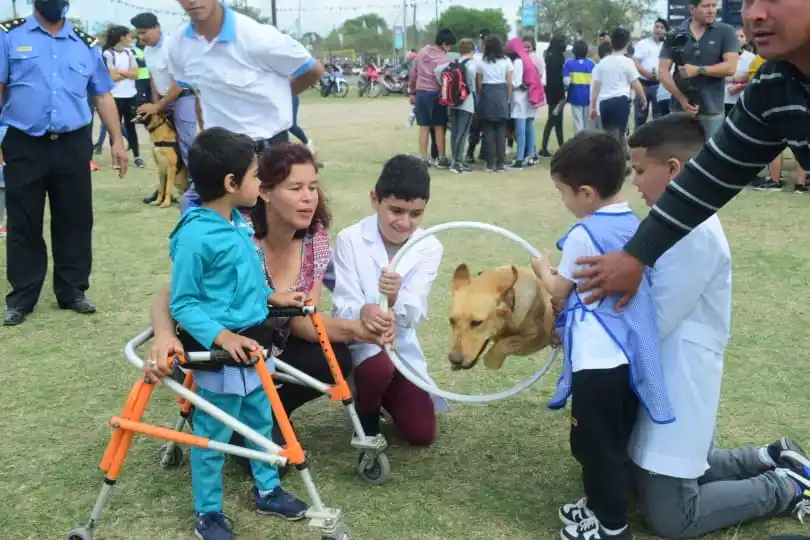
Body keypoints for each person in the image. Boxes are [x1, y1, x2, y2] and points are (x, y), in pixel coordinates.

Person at [625, 112, 810, 538]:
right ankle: (771, 455)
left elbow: (655, 321)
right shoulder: (675, 222)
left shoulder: (693, 232)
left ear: (673, 169)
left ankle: (786, 485)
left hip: (679, 379)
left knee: (673, 518)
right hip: (670, 379)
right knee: (674, 471)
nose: (633, 181)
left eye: (638, 170)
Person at [146, 142, 387, 451]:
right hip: (218, 356)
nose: (308, 197)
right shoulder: (233, 231)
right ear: (265, 191)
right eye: (295, 187)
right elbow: (169, 294)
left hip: (262, 348)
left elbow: (303, 323)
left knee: (335, 357)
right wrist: (165, 336)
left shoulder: (314, 239)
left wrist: (361, 331)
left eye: (313, 187)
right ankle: (210, 408)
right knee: (272, 460)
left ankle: (270, 411)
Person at [568, 0, 810, 307]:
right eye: (748, 1)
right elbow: (711, 176)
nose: (754, 14)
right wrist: (634, 256)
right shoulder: (775, 85)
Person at [153, 127, 308, 540]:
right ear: (230, 183)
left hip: (254, 345)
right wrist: (224, 338)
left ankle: (268, 488)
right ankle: (208, 512)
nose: (261, 183)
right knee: (213, 434)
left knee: (260, 418)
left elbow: (247, 279)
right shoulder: (195, 236)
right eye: (256, 175)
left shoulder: (238, 222)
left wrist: (274, 297)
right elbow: (184, 303)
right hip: (221, 354)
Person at [531, 131, 673, 540]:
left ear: (587, 193)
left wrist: (542, 268)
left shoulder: (583, 234)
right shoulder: (635, 226)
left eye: (562, 192)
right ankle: (600, 508)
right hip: (628, 362)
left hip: (597, 365)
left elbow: (560, 292)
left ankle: (611, 527)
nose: (563, 200)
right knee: (614, 440)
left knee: (596, 449)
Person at [0, 2, 128, 327]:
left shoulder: (85, 44)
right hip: (24, 142)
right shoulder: (9, 36)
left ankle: (72, 291)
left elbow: (102, 94)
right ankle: (22, 297)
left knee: (75, 218)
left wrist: (117, 139)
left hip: (72, 144)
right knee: (23, 221)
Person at [332, 155, 447, 447]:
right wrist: (365, 310)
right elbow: (343, 302)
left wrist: (396, 301)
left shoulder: (429, 246)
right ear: (375, 199)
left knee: (421, 434)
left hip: (401, 346)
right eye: (395, 210)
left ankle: (383, 393)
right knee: (376, 365)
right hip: (363, 345)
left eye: (415, 213)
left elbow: (416, 309)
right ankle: (366, 415)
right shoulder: (350, 239)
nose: (404, 222)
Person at [166, 0, 323, 213]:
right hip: (219, 153)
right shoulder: (178, 45)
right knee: (202, 220)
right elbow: (198, 92)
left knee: (269, 229)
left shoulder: (257, 37)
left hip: (266, 151)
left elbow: (313, 70)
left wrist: (280, 97)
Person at [131, 12, 199, 205]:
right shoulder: (148, 51)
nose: (141, 38)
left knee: (187, 145)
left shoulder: (172, 47)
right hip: (163, 100)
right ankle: (163, 189)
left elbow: (179, 82)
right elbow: (154, 79)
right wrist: (156, 105)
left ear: (156, 28)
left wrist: (158, 105)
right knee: (163, 149)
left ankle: (196, 192)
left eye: (144, 33)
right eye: (138, 34)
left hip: (183, 98)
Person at [658, 0, 740, 137]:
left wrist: (698, 70)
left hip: (712, 109)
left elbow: (730, 67)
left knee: (711, 154)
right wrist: (682, 100)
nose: (711, 10)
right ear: (692, 9)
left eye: (714, 6)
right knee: (679, 154)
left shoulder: (726, 31)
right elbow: (662, 71)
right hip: (680, 110)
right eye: (706, 6)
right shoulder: (675, 34)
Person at [590, 28, 646, 152]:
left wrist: (593, 107)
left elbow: (595, 88)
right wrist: (643, 97)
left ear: (611, 43)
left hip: (604, 102)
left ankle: (608, 159)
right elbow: (635, 83)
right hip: (620, 101)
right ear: (627, 44)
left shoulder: (602, 63)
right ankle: (619, 161)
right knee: (620, 134)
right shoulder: (627, 62)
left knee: (607, 134)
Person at [408, 28, 456, 168]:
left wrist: (412, 92)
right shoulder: (443, 58)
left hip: (421, 93)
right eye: (449, 45)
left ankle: (423, 157)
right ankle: (441, 158)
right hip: (436, 94)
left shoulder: (422, 52)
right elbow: (445, 79)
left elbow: (413, 73)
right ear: (443, 43)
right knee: (439, 127)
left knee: (423, 127)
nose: (449, 48)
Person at [102, 26, 145, 168]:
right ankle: (116, 160)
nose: (131, 39)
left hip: (130, 95)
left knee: (131, 127)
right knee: (114, 128)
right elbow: (111, 77)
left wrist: (122, 72)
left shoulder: (129, 53)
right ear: (121, 37)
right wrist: (127, 73)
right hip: (115, 96)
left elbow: (136, 73)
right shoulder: (108, 54)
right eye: (129, 36)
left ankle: (137, 156)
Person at [434, 38, 476, 174]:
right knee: (463, 133)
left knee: (455, 132)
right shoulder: (471, 63)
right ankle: (458, 162)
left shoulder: (453, 63)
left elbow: (437, 70)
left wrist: (445, 85)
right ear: (472, 50)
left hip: (452, 102)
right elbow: (471, 76)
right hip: (466, 102)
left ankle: (455, 160)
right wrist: (470, 88)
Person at [475, 35, 513, 173]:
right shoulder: (507, 61)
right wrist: (507, 98)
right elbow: (509, 82)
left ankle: (490, 164)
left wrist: (482, 95)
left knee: (488, 132)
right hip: (501, 94)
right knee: (501, 132)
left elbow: (478, 84)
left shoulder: (481, 62)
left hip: (487, 94)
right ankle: (500, 164)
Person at [505, 36, 543, 170]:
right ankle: (530, 157)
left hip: (519, 98)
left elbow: (515, 82)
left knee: (520, 130)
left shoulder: (518, 62)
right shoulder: (528, 59)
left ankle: (519, 159)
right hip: (530, 97)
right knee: (529, 127)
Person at [632, 18, 669, 127]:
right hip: (643, 85)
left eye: (661, 28)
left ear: (666, 31)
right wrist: (647, 74)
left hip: (661, 86)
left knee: (659, 119)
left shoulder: (668, 46)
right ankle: (638, 142)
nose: (658, 30)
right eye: (656, 27)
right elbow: (635, 62)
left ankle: (657, 143)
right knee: (640, 117)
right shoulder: (643, 44)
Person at [538, 35, 566, 158]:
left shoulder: (549, 56)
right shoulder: (559, 57)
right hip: (557, 92)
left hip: (550, 91)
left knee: (555, 119)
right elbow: (558, 78)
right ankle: (546, 147)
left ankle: (559, 145)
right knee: (554, 120)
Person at [563, 40, 596, 134]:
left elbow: (566, 82)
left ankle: (579, 143)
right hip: (588, 97)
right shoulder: (592, 64)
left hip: (575, 97)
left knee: (578, 122)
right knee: (587, 123)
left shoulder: (569, 64)